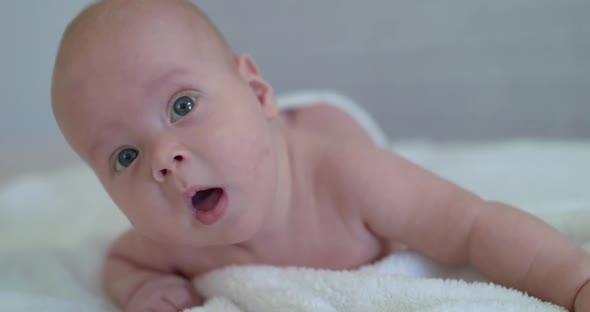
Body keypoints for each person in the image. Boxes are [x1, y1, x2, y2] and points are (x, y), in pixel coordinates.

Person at [50, 1, 590, 311]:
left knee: (363, 166)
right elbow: (121, 263)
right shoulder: (171, 240)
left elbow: (474, 225)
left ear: (259, 93)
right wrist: (144, 289)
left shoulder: (349, 180)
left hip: (326, 130)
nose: (161, 160)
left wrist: (572, 279)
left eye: (182, 105)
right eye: (124, 157)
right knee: (245, 145)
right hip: (258, 137)